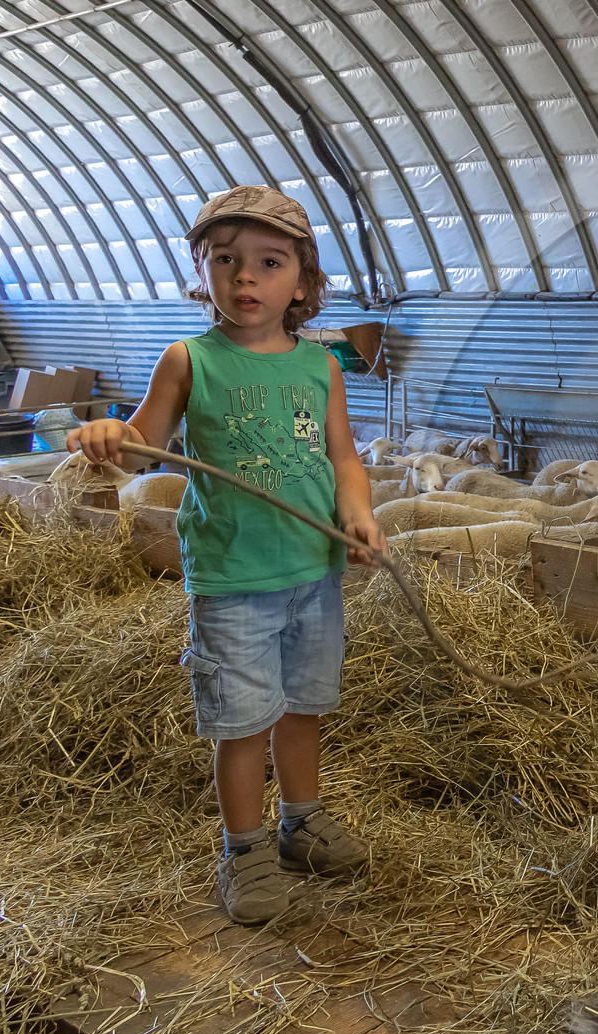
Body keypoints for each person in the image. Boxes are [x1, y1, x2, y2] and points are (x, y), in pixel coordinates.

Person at [68, 186, 386, 925]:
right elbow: (142, 447)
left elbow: (344, 456)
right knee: (240, 721)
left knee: (303, 706)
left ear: (302, 283)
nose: (246, 277)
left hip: (313, 571)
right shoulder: (189, 361)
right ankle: (244, 849)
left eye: (270, 263)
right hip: (234, 577)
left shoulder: (321, 367)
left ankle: (300, 821)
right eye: (225, 260)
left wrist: (359, 515)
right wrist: (110, 438)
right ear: (202, 271)